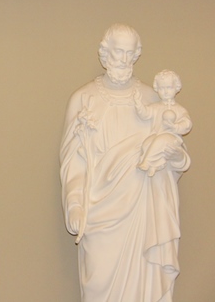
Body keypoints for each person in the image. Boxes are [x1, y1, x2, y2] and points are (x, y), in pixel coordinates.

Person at [60, 24, 191, 302]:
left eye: (130, 53)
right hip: (99, 211)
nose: (123, 59)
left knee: (143, 288)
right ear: (104, 52)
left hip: (143, 210)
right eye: (118, 51)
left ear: (137, 54)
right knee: (97, 284)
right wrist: (74, 204)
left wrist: (172, 155)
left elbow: (174, 157)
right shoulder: (83, 99)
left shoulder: (152, 98)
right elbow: (73, 162)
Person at [134, 70, 192, 176]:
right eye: (161, 88)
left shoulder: (179, 109)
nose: (165, 92)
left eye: (169, 87)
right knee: (147, 144)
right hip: (156, 135)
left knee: (161, 140)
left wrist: (175, 127)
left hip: (172, 138)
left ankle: (147, 162)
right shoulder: (155, 107)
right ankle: (155, 166)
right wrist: (138, 103)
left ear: (176, 88)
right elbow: (145, 113)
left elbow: (187, 124)